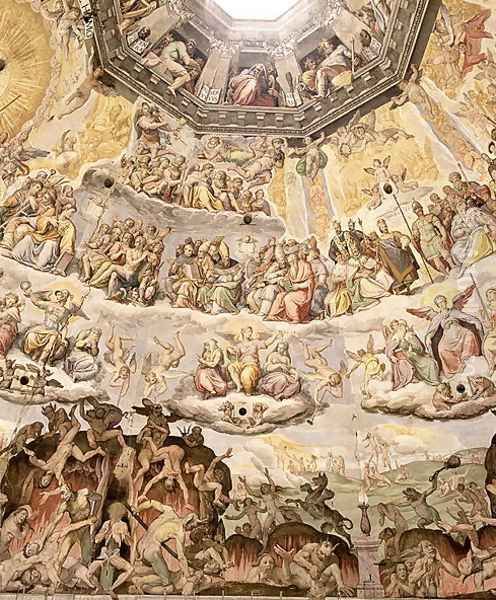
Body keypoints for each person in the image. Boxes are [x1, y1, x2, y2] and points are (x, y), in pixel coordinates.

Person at [407, 285, 484, 377]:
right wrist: (428, 338)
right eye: (439, 303)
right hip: (448, 336)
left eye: (443, 301)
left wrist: (476, 322)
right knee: (442, 349)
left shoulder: (453, 311)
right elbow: (432, 330)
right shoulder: (437, 317)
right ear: (437, 306)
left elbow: (467, 318)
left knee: (470, 335)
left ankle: (469, 360)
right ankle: (455, 368)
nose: (442, 304)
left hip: (460, 332)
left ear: (446, 302)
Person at [384, 319, 440, 389]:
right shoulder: (396, 338)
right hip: (407, 357)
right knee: (406, 364)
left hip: (416, 355)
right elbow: (389, 349)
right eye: (396, 326)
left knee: (430, 363)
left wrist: (413, 347)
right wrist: (391, 356)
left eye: (400, 325)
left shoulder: (410, 335)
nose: (400, 328)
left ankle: (434, 381)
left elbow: (420, 348)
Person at [268, 246, 315, 323]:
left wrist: (298, 286)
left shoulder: (305, 265)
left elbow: (310, 282)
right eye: (288, 259)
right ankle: (272, 315)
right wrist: (283, 283)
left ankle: (296, 318)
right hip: (293, 291)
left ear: (294, 257)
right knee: (280, 296)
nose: (288, 260)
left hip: (303, 292)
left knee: (288, 297)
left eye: (290, 257)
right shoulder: (291, 269)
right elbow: (287, 283)